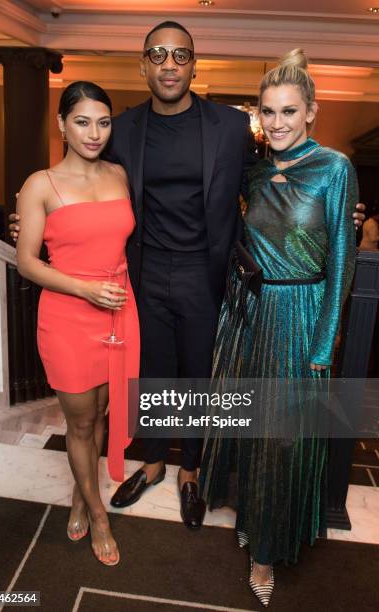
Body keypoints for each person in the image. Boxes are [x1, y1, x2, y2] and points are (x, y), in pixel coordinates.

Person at [9, 21, 365, 531]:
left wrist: (340, 209)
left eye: (180, 55)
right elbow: (80, 181)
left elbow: (270, 180)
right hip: (142, 271)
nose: (169, 64)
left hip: (207, 270)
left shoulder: (228, 125)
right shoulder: (123, 128)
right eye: (158, 54)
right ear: (144, 66)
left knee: (198, 375)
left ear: (194, 65)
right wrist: (31, 218)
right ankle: (153, 462)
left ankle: (191, 471)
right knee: (153, 371)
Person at [199, 49, 358, 607]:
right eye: (268, 112)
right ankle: (256, 524)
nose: (278, 123)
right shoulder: (257, 167)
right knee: (249, 430)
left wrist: (324, 339)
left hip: (298, 320)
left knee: (282, 442)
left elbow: (342, 257)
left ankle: (265, 551)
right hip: (246, 315)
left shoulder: (335, 168)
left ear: (311, 111)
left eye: (289, 111)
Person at [15, 81, 139, 566]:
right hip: (69, 315)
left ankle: (79, 491)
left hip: (119, 310)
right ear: (62, 125)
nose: (94, 132)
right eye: (83, 121)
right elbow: (27, 261)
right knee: (80, 420)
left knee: (103, 413)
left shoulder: (120, 175)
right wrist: (85, 288)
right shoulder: (40, 183)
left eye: (104, 122)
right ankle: (99, 514)